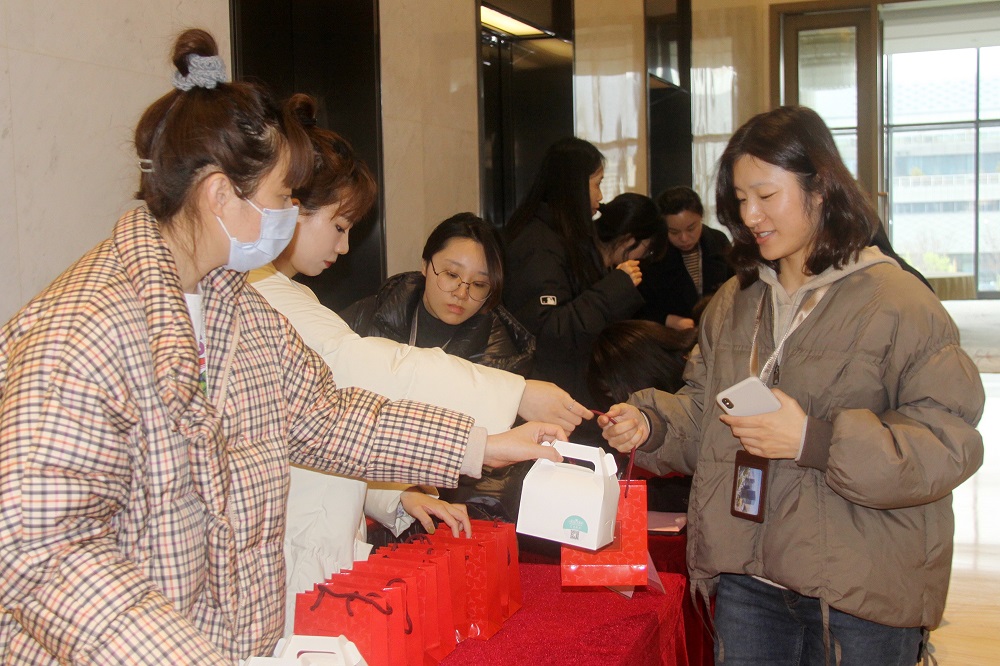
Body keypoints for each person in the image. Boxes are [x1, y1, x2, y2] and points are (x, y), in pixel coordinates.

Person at [0, 30, 565, 665]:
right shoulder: (85, 327)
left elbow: (325, 418)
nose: (290, 215)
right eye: (282, 197)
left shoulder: (239, 308)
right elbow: (39, 550)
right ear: (219, 194)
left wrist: (480, 445)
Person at [598, 105, 984, 664]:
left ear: (821, 188)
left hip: (858, 588)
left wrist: (813, 440)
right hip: (748, 580)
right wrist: (652, 425)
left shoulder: (901, 304)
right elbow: (707, 411)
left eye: (766, 195)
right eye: (740, 199)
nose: (750, 215)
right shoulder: (736, 300)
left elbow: (949, 443)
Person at [248, 95, 593, 635]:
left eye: (478, 284)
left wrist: (392, 496)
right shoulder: (267, 295)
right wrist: (514, 395)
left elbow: (326, 430)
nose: (345, 246)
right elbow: (363, 371)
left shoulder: (284, 292)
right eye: (338, 225)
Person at [503, 137, 647, 420]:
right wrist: (616, 287)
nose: (601, 197)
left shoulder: (563, 235)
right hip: (553, 398)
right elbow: (549, 332)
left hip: (571, 388)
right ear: (574, 186)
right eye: (597, 184)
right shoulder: (538, 244)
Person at [343, 212, 534, 376]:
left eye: (478, 284)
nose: (462, 293)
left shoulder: (500, 359)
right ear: (425, 265)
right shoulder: (365, 316)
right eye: (451, 274)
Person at [636, 185, 734, 330]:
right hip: (671, 335)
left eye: (691, 228)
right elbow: (639, 307)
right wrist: (666, 319)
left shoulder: (718, 241)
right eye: (674, 232)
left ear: (701, 217)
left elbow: (735, 286)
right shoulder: (654, 253)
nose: (684, 238)